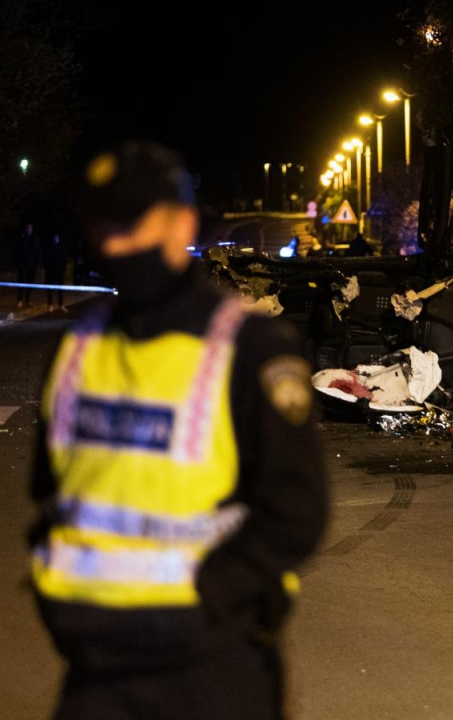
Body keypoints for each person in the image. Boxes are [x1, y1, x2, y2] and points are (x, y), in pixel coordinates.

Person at [28, 141, 329, 720]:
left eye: (137, 223)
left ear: (183, 224)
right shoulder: (76, 349)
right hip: (94, 668)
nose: (118, 243)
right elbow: (51, 493)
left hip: (208, 669)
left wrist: (209, 601)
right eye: (107, 226)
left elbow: (296, 512)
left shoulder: (249, 351)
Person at [42, 231, 69, 312]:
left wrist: (63, 269)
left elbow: (65, 259)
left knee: (60, 289)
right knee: (49, 289)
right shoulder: (49, 248)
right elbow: (46, 259)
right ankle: (50, 305)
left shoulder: (61, 248)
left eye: (57, 238)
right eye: (54, 238)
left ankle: (61, 305)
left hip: (59, 272)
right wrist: (47, 269)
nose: (56, 239)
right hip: (50, 272)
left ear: (59, 239)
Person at [16, 223, 41, 309]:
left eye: (30, 228)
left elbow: (38, 252)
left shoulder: (35, 239)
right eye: (28, 228)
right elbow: (18, 250)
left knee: (29, 283)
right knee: (21, 282)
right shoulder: (22, 238)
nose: (29, 229)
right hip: (23, 264)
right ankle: (20, 300)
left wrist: (36, 263)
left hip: (31, 264)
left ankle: (28, 300)